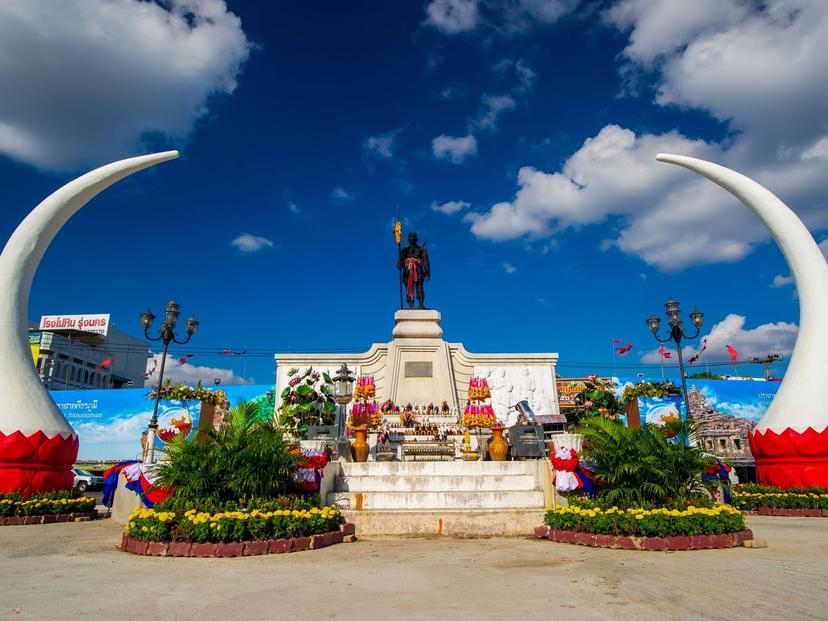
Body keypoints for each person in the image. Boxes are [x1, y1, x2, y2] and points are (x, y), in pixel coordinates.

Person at [398, 232, 430, 309]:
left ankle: (421, 304)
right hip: (407, 272)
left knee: (420, 287)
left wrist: (427, 271)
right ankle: (410, 304)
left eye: (413, 237)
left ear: (416, 239)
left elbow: (425, 261)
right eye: (410, 237)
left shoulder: (421, 249)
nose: (412, 238)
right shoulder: (404, 250)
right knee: (409, 287)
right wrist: (400, 261)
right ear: (408, 239)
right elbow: (399, 264)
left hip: (418, 270)